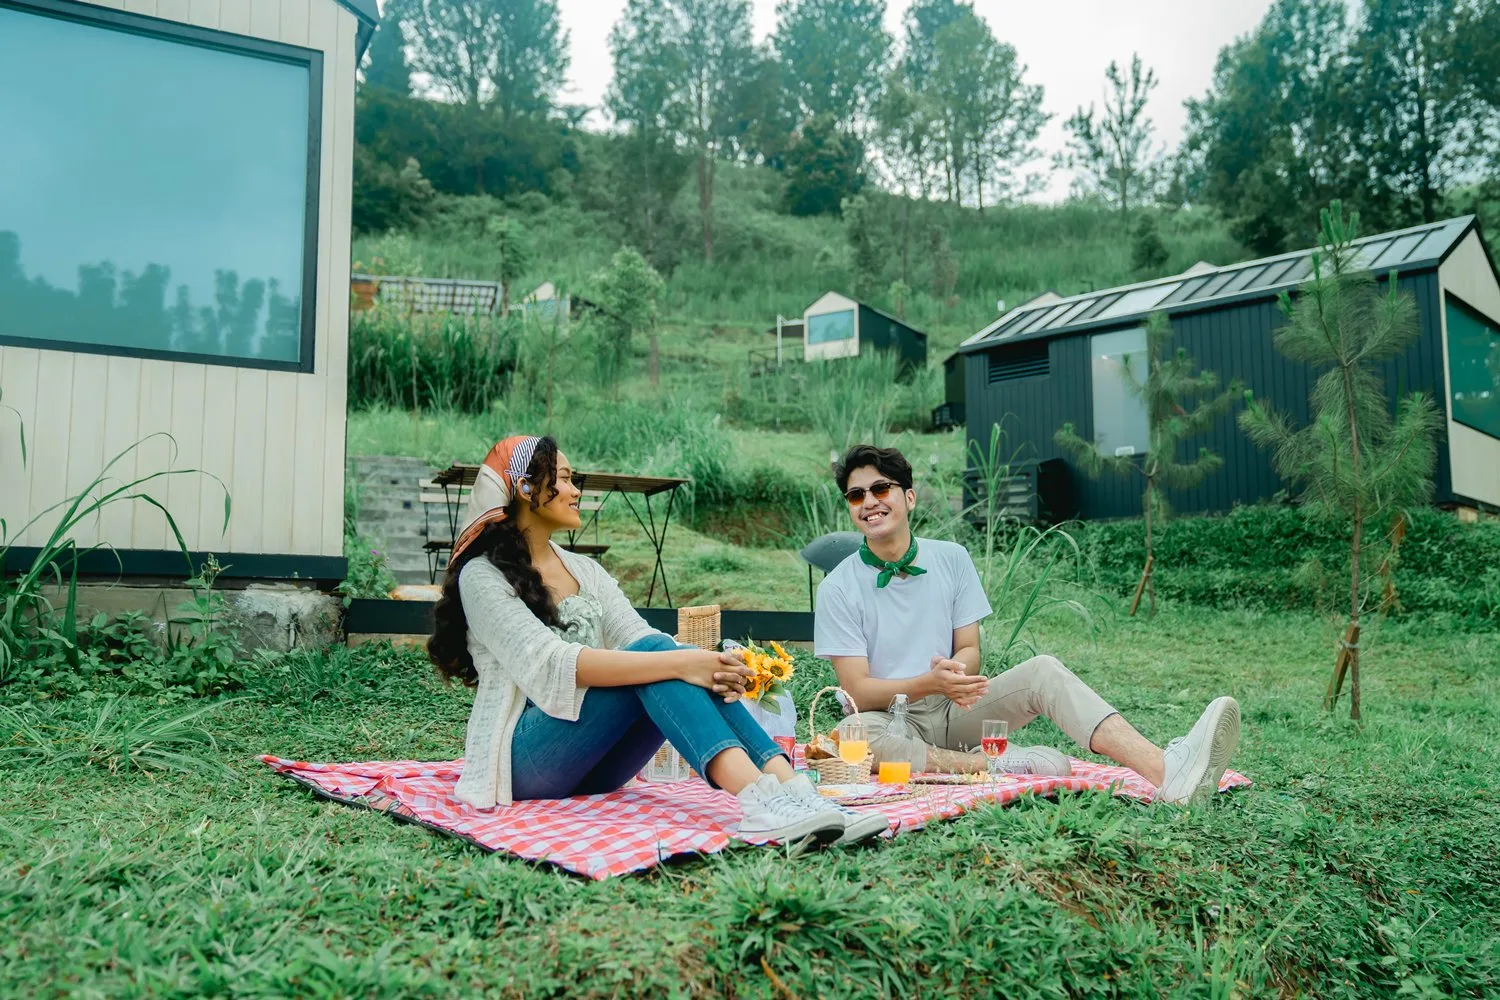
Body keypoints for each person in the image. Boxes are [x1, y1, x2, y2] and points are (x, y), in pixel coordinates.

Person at [428, 435, 889, 845]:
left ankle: (795, 793)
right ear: (526, 488)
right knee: (663, 660)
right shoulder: (482, 577)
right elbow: (551, 664)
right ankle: (758, 799)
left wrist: (704, 663)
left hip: (595, 764)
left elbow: (638, 636)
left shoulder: (584, 570)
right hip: (523, 761)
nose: (575, 490)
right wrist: (681, 662)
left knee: (664, 655)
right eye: (564, 478)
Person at [813, 444, 1241, 806]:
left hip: (955, 709)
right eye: (856, 495)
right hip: (890, 720)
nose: (869, 502)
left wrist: (956, 675)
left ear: (908, 497)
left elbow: (969, 647)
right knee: (853, 735)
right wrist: (930, 682)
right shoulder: (840, 587)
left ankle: (1167, 772)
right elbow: (857, 690)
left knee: (1044, 670)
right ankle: (994, 761)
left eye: (880, 488)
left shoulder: (952, 558)